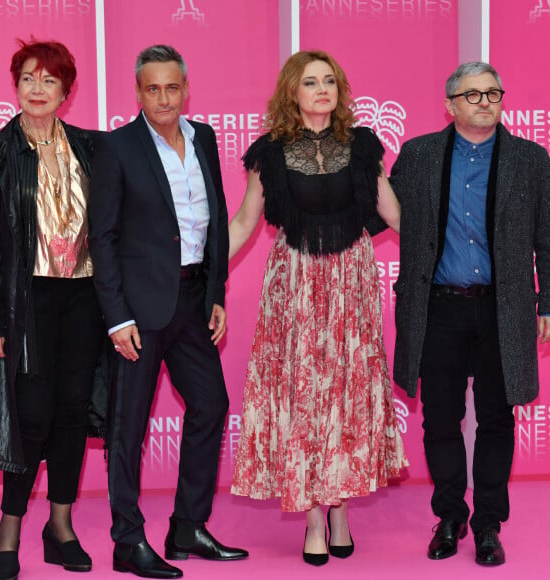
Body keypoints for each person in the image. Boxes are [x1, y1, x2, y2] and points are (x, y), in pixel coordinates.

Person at [229, 50, 408, 566]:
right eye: (311, 82)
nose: (322, 89)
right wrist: (202, 270)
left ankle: (340, 509)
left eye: (329, 81)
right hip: (296, 284)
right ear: (293, 92)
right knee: (303, 396)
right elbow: (244, 221)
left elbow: (393, 212)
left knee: (346, 395)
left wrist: (444, 251)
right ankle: (311, 515)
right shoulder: (271, 152)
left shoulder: (362, 146)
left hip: (351, 282)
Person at [88, 44, 248, 579]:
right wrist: (116, 317)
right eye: (152, 88)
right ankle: (127, 541)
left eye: (171, 87)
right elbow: (103, 238)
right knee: (127, 430)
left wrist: (218, 290)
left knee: (211, 403)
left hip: (193, 299)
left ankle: (187, 527)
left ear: (185, 88)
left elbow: (218, 220)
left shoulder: (203, 137)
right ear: (138, 92)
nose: (163, 97)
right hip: (137, 308)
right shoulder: (118, 148)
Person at [390, 61, 550, 566]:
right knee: (440, 420)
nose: (485, 101)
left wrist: (549, 302)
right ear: (451, 104)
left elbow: (547, 239)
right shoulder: (417, 156)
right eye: (474, 94)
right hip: (437, 309)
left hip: (505, 310)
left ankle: (487, 526)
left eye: (493, 93)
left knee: (497, 421)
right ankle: (450, 517)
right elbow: (378, 211)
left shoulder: (531, 159)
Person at [0, 39, 105, 579]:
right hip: (27, 300)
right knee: (30, 416)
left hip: (84, 298)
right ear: (16, 86)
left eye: (49, 80)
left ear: (67, 91)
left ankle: (61, 526)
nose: (38, 89)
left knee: (73, 410)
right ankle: (9, 530)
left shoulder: (94, 150)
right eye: (28, 78)